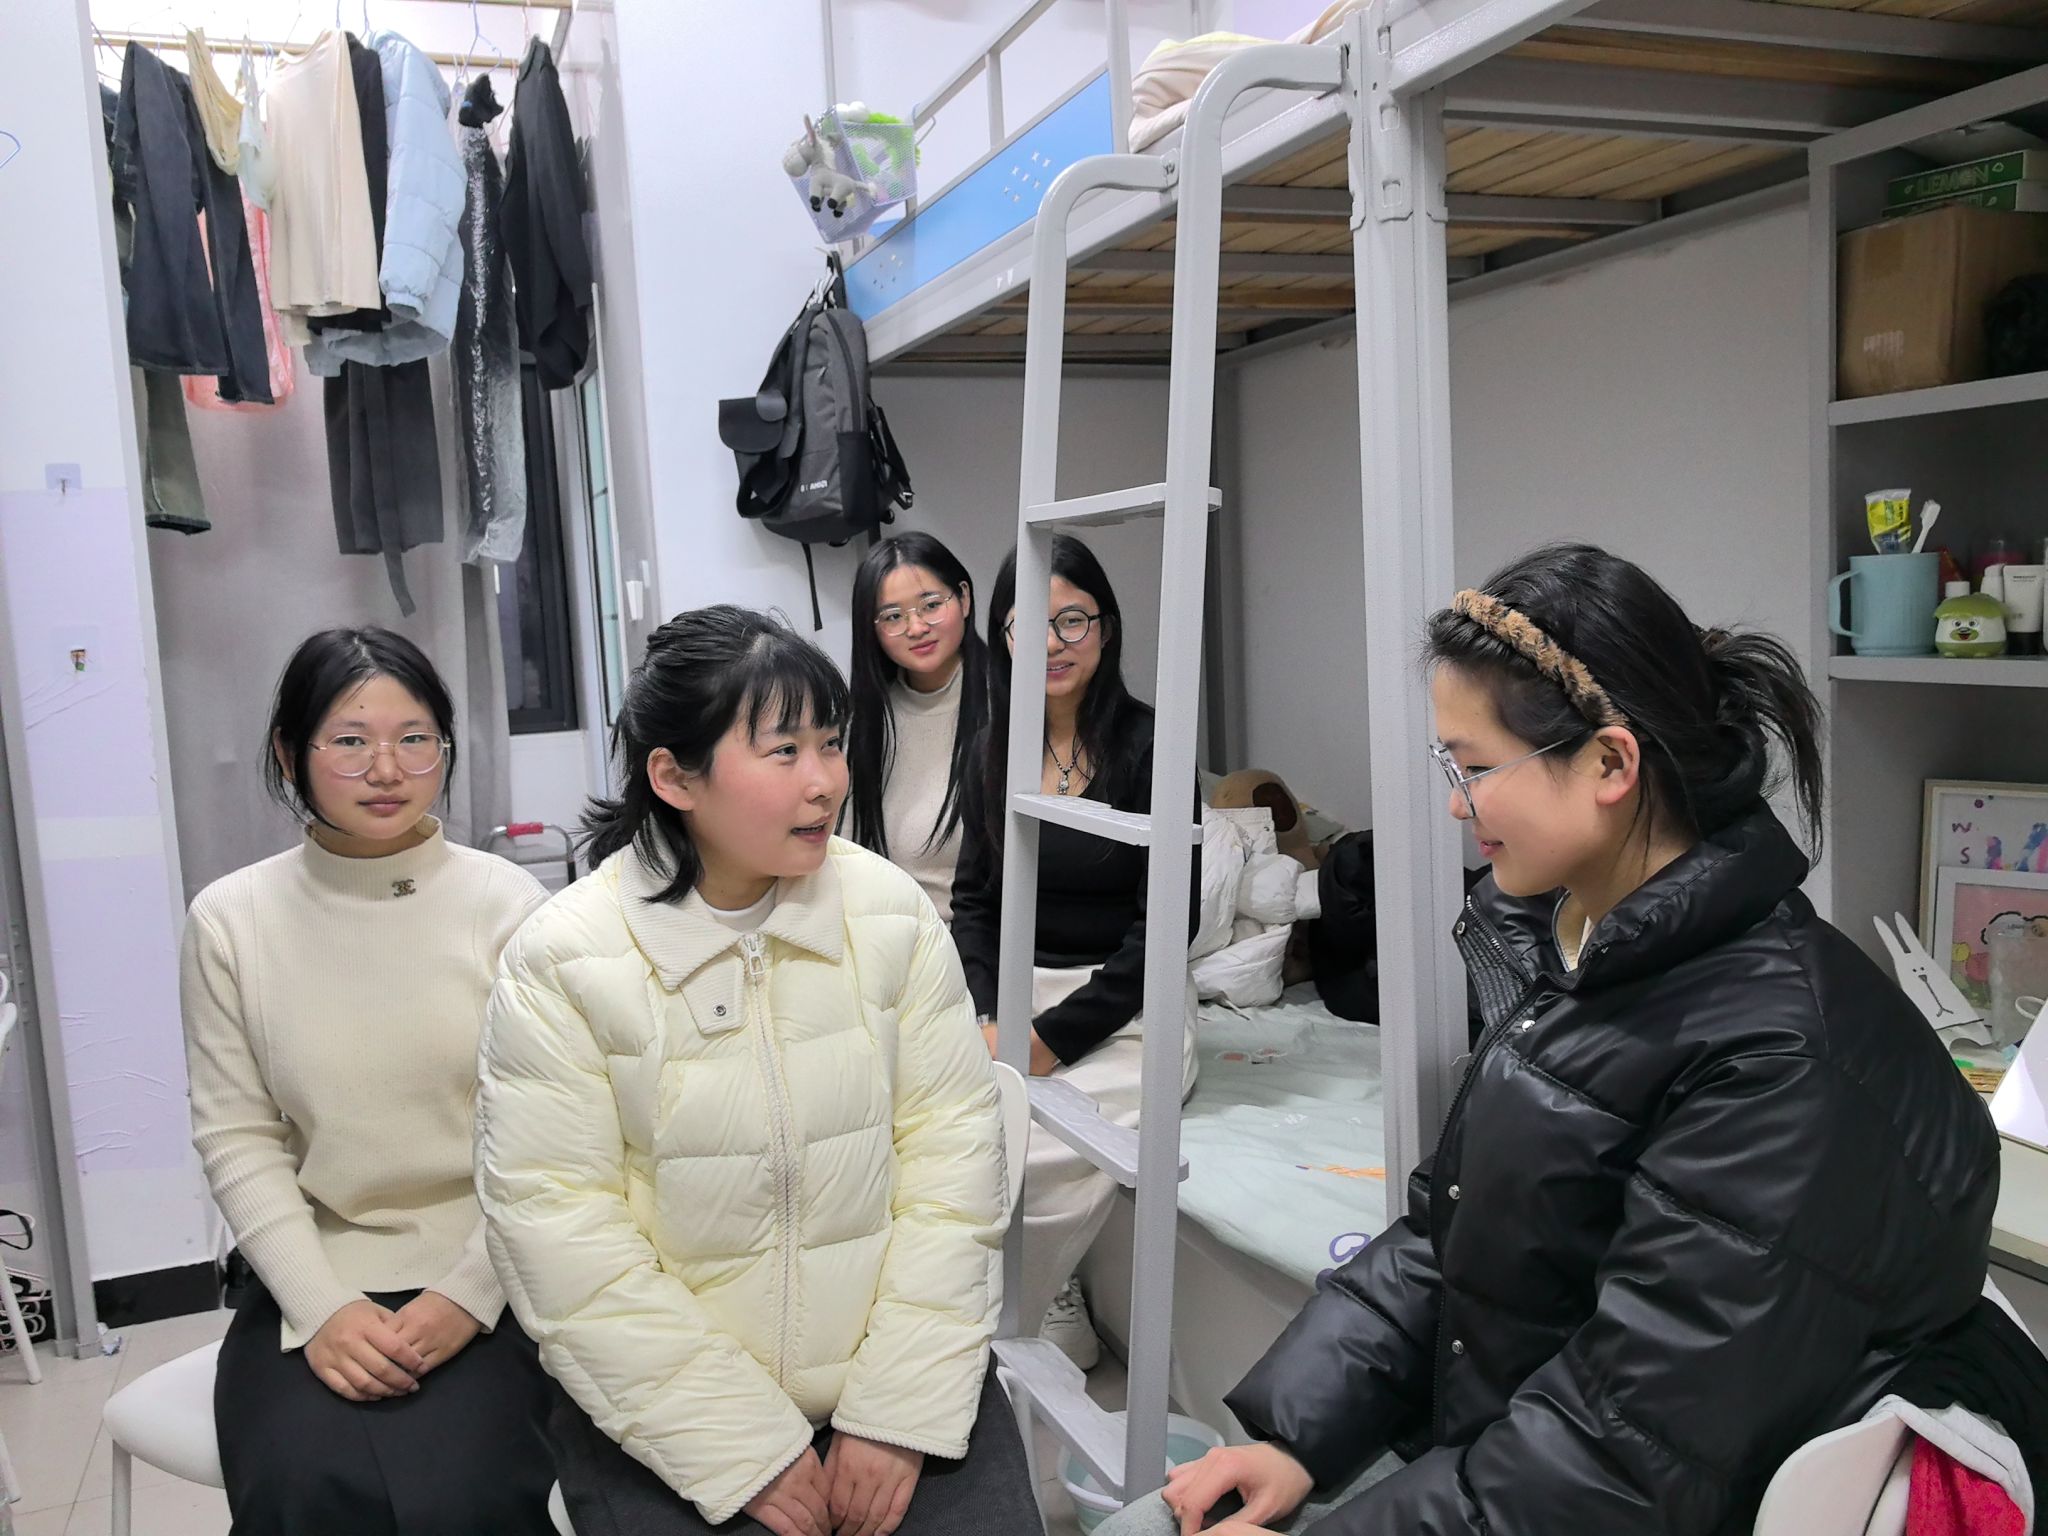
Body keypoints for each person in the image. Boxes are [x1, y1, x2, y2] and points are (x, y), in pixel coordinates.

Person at [1103, 542, 2010, 1536]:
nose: (1456, 801)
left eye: (1474, 767)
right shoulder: (1581, 946)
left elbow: (1624, 1453)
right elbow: (1455, 1240)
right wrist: (1296, 1440)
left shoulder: (1778, 1065)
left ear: (1610, 763)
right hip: (1512, 1461)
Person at [474, 606, 1039, 1536]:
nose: (825, 783)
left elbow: (955, 1171)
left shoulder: (889, 914)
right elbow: (558, 1233)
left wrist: (894, 1414)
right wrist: (740, 1447)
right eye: (784, 752)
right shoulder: (564, 958)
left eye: (831, 744)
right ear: (673, 777)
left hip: (897, 1379)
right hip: (668, 1411)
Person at [182, 628, 556, 1535]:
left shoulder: (511, 907)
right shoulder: (231, 920)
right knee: (302, 1490)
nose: (387, 769)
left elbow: (557, 1136)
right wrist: (321, 1309)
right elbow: (237, 1137)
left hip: (503, 1268)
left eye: (415, 738)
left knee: (466, 1499)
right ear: (290, 755)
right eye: (350, 741)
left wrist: (468, 1296)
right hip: (313, 1270)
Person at [950, 534, 1200, 1371]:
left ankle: (1030, 1304)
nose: (1053, 643)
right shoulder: (992, 749)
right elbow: (975, 905)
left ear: (1107, 627)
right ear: (1002, 638)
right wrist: (992, 1015)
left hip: (1126, 1005)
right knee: (948, 1128)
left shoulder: (1154, 747)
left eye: (1073, 620)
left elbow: (1166, 928)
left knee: (1049, 1139)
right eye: (1029, 624)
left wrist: (1050, 1040)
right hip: (1015, 996)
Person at [845, 532, 988, 920]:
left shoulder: (1010, 704)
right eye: (893, 616)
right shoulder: (865, 718)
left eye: (931, 605)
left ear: (964, 598)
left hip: (970, 938)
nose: (916, 627)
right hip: (881, 932)